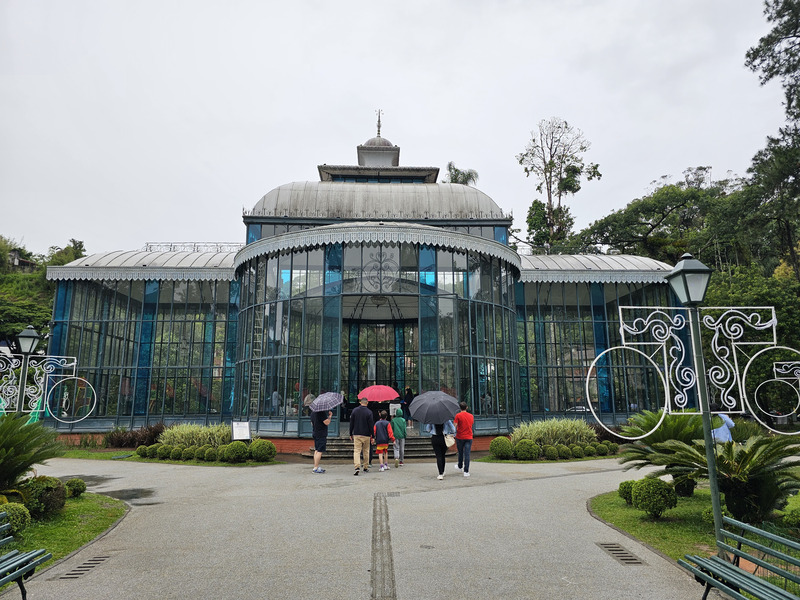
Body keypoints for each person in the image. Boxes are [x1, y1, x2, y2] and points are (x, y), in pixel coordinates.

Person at [349, 397, 374, 476]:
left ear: (360, 402)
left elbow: (351, 423)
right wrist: (372, 435)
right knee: (366, 451)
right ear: (367, 403)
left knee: (356, 451)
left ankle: (357, 467)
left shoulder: (355, 410)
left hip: (357, 434)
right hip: (366, 435)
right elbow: (371, 425)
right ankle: (365, 467)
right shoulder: (369, 412)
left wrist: (350, 433)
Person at [453, 402, 474, 477]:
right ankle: (466, 471)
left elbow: (454, 426)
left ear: (460, 408)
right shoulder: (471, 416)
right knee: (467, 454)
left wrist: (452, 433)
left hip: (460, 436)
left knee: (460, 452)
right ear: (467, 407)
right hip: (469, 437)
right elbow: (471, 424)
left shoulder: (458, 416)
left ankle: (460, 466)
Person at [310, 409, 332, 474]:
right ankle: (316, 468)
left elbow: (311, 423)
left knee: (316, 450)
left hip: (315, 432)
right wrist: (330, 416)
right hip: (321, 433)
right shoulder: (321, 413)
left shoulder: (313, 413)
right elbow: (327, 422)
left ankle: (315, 466)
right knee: (320, 450)